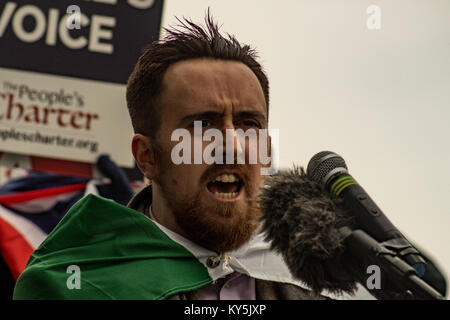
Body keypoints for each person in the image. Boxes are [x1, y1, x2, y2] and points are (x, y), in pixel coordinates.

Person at [13, 13, 372, 300]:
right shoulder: (73, 286)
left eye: (249, 124)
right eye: (202, 126)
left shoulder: (334, 274)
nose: (232, 145)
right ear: (147, 156)